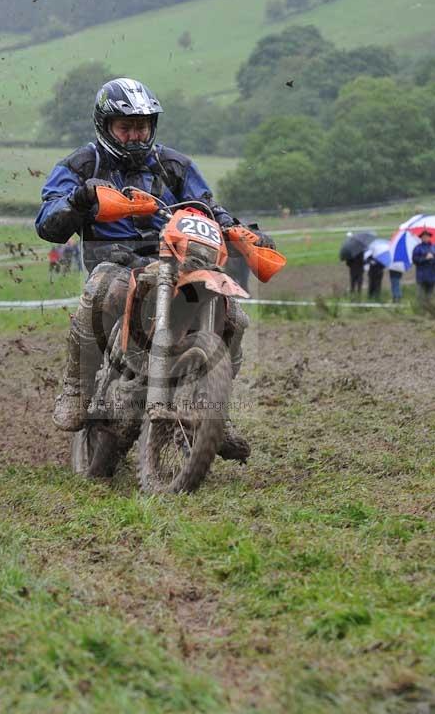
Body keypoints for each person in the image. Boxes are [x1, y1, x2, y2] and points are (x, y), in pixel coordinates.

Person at [35, 77, 275, 442]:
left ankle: (214, 411)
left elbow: (207, 206)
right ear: (106, 127)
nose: (135, 135)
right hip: (113, 263)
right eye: (126, 127)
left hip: (177, 261)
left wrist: (240, 231)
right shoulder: (83, 164)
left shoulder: (174, 165)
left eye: (142, 126)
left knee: (234, 318)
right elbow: (47, 223)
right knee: (101, 291)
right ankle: (76, 388)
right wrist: (78, 200)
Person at [412, 228, 435, 303]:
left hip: (432, 276)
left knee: (429, 296)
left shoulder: (433, 247)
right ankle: (420, 310)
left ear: (429, 237)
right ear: (421, 238)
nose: (425, 238)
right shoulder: (417, 248)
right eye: (424, 237)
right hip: (421, 276)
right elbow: (415, 260)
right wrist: (425, 258)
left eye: (427, 236)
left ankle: (429, 311)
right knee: (420, 296)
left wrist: (432, 258)